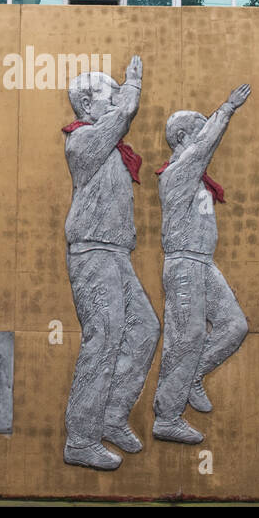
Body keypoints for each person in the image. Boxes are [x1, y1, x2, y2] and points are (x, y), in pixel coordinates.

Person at [59, 56, 160, 471]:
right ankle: (81, 439)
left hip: (116, 252)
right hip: (92, 253)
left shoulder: (111, 145)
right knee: (103, 338)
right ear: (86, 103)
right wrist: (133, 88)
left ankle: (113, 415)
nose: (117, 99)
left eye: (119, 93)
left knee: (144, 328)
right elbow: (123, 117)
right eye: (109, 94)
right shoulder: (82, 140)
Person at [151, 85, 251, 444]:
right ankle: (167, 415)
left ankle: (192, 376)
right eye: (200, 127)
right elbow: (204, 145)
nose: (205, 135)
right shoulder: (176, 174)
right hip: (183, 266)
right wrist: (226, 109)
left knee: (234, 325)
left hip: (203, 264)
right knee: (186, 337)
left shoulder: (198, 180)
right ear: (182, 138)